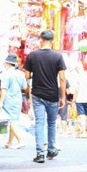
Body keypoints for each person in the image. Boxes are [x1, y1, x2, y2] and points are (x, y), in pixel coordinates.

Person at [23, 30, 66, 163]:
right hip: (52, 94)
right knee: (52, 123)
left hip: (37, 94)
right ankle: (52, 149)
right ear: (52, 41)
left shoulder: (32, 55)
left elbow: (27, 76)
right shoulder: (58, 57)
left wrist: (30, 88)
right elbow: (63, 79)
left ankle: (40, 153)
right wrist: (63, 97)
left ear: (40, 40)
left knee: (39, 123)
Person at [0, 53, 28, 149]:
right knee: (13, 120)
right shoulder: (21, 74)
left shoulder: (6, 74)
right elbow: (25, 87)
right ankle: (9, 142)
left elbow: (4, 89)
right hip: (18, 99)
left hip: (9, 100)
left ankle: (20, 140)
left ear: (7, 63)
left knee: (10, 121)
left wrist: (0, 102)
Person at [71, 61, 87, 138]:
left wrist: (74, 100)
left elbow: (76, 89)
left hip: (80, 99)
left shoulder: (77, 77)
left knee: (82, 116)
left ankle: (84, 132)